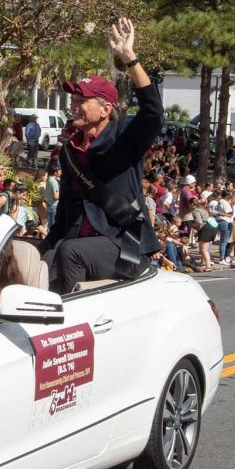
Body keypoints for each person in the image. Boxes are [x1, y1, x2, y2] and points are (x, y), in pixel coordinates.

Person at [43, 18, 161, 293]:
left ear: (105, 109)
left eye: (82, 101)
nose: (74, 106)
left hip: (123, 243)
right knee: (36, 262)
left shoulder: (124, 136)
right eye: (74, 100)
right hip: (76, 241)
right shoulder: (70, 149)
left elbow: (153, 112)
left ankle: (74, 327)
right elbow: (66, 209)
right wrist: (45, 246)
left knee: (71, 252)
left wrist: (129, 57)